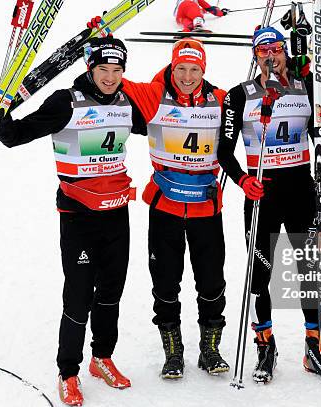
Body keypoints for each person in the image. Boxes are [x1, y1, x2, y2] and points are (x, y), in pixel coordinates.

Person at [0, 36, 146, 406]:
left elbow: (167, 121)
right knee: (79, 296)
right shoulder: (66, 102)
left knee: (111, 293)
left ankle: (102, 359)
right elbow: (14, 136)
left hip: (116, 213)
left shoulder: (127, 103)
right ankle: (68, 372)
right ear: (89, 69)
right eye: (103, 70)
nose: (110, 77)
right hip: (78, 216)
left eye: (116, 70)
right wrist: (0, 109)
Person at [218, 26, 321, 384]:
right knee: (261, 274)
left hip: (300, 190)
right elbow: (223, 150)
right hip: (263, 193)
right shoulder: (239, 96)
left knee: (311, 269)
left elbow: (320, 133)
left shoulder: (307, 88)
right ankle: (265, 344)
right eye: (262, 52)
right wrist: (244, 180)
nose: (270, 56)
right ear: (255, 57)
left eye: (275, 49)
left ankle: (314, 346)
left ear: (285, 52)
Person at [119, 38, 229, 380]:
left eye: (194, 69)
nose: (186, 75)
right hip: (165, 206)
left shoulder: (221, 100)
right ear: (171, 67)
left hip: (206, 209)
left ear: (203, 70)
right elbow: (111, 81)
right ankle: (173, 350)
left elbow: (257, 114)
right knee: (165, 281)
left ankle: (210, 348)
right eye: (180, 68)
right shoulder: (155, 95)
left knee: (211, 282)